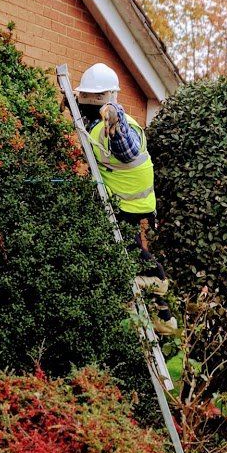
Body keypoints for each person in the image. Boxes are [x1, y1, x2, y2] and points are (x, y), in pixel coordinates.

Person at [75, 63, 177, 334]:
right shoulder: (115, 122)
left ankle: (155, 281)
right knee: (132, 249)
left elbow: (127, 150)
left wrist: (115, 121)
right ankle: (164, 320)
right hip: (139, 201)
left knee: (131, 253)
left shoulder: (111, 129)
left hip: (127, 203)